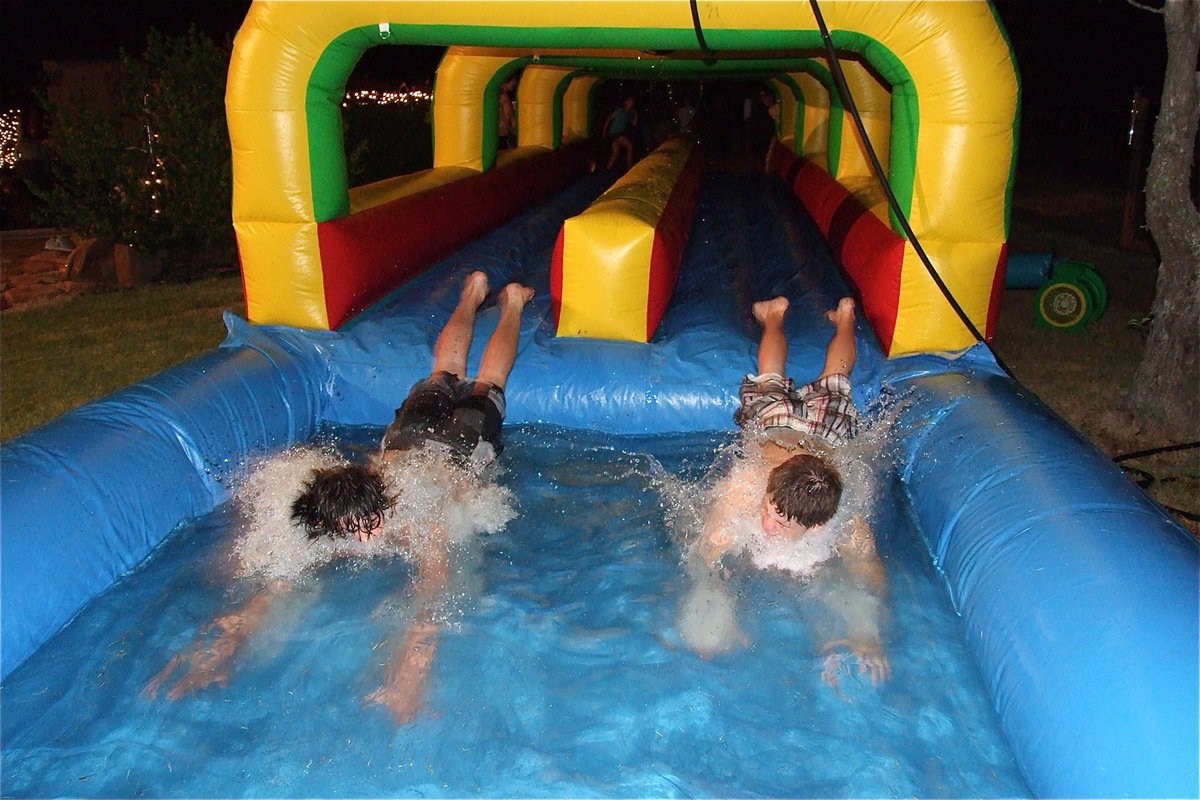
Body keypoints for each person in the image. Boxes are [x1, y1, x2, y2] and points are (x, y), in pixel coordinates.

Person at [144, 272, 534, 723]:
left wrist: (408, 682)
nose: (367, 540)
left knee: (486, 382)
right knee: (443, 374)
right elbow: (276, 586)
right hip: (410, 441)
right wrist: (223, 650)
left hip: (461, 444)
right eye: (355, 531)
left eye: (372, 525)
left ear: (384, 501)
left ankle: (510, 303)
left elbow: (433, 599)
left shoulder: (417, 517)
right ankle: (471, 294)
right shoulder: (335, 509)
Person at [677, 295, 891, 688]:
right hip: (781, 428)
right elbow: (705, 557)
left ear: (816, 526)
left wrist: (867, 634)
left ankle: (842, 317)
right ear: (770, 488)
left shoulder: (847, 526)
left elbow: (869, 579)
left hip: (822, 436)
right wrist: (720, 591)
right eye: (769, 510)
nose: (766, 525)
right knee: (795, 381)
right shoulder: (744, 491)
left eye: (778, 524)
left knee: (831, 383)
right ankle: (777, 316)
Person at [603, 95, 638, 171]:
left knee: (616, 153)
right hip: (616, 133)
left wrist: (635, 114)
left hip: (616, 134)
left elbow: (634, 123)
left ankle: (608, 167)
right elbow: (608, 120)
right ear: (626, 102)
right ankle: (629, 166)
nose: (632, 102)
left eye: (632, 101)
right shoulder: (619, 111)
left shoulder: (628, 114)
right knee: (630, 147)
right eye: (630, 101)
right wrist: (604, 132)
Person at [498, 76, 517, 150]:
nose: (514, 83)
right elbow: (510, 116)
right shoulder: (504, 97)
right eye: (513, 81)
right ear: (506, 82)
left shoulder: (498, 96)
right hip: (503, 134)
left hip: (499, 133)